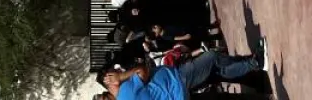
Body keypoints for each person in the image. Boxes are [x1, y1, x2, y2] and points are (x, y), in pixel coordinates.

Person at [103, 41, 266, 100]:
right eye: (109, 80)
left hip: (178, 91)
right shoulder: (125, 92)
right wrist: (121, 76)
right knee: (211, 57)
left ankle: (253, 64)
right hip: (177, 81)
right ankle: (256, 63)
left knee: (216, 72)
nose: (110, 81)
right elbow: (142, 71)